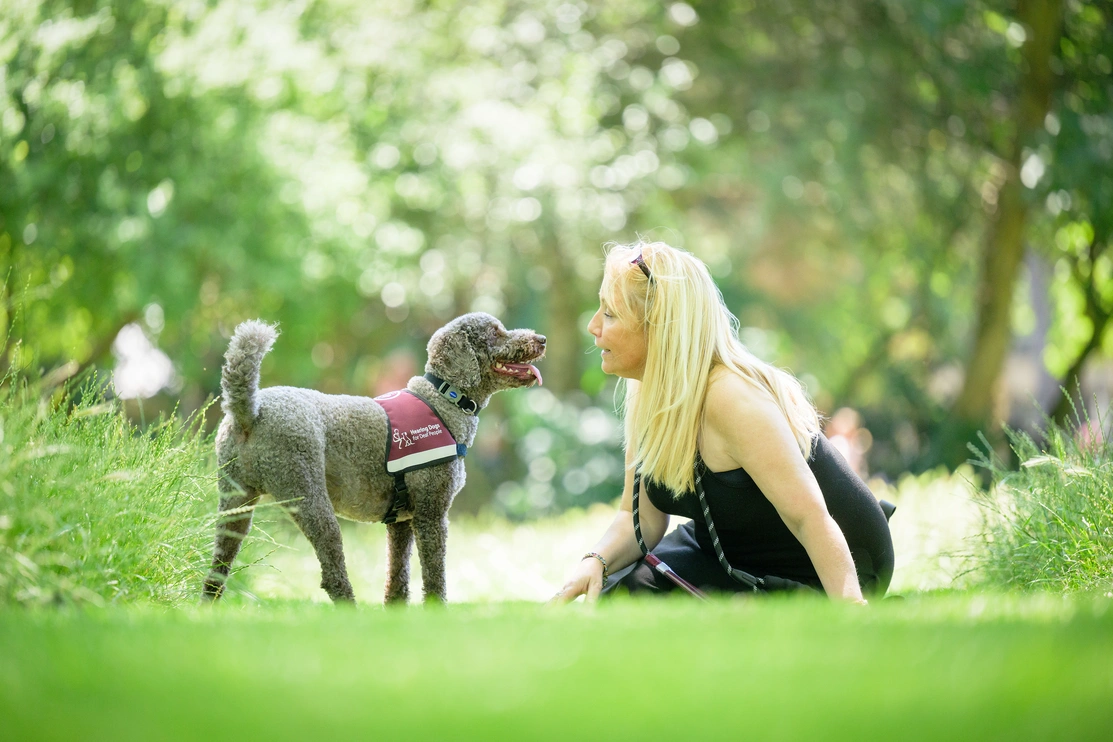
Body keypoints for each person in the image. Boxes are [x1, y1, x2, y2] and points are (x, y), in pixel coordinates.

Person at [550, 241, 893, 604]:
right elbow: (640, 520)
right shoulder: (646, 394)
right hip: (727, 548)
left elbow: (809, 516)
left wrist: (851, 605)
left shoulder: (731, 398)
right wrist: (595, 561)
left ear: (660, 327)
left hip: (830, 558)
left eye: (610, 314)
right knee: (618, 596)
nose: (592, 326)